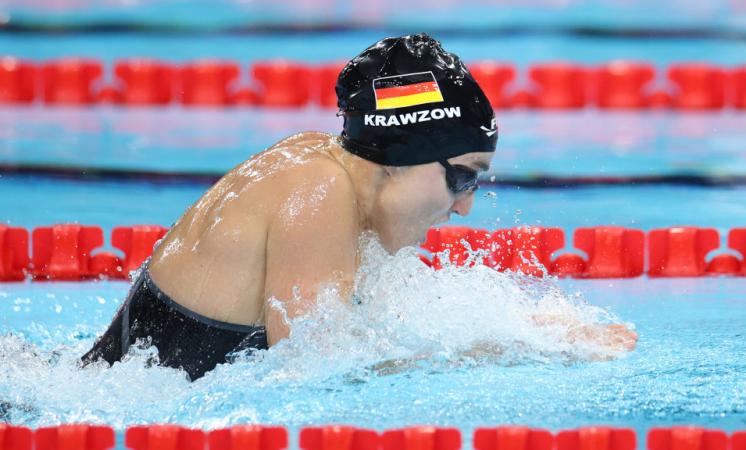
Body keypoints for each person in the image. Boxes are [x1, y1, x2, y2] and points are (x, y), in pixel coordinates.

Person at [81, 33, 637, 381]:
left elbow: (356, 330)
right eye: (462, 177)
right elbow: (318, 370)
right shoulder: (318, 190)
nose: (464, 207)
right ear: (405, 156)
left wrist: (530, 326)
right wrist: (518, 353)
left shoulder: (322, 165)